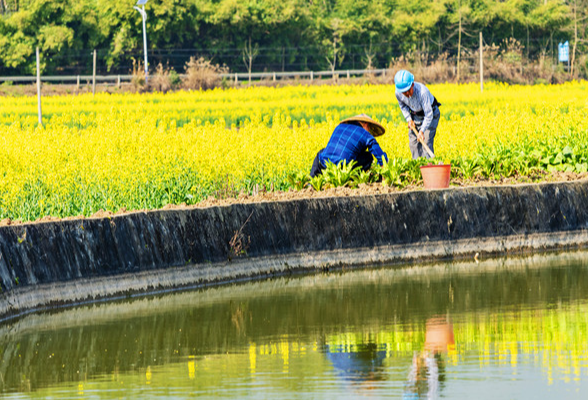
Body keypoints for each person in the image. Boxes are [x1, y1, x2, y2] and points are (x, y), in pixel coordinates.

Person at [310, 114, 388, 178]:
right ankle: (353, 179)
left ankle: (312, 179)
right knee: (368, 156)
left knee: (321, 152)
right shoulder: (365, 134)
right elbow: (380, 156)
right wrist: (384, 171)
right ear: (366, 124)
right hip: (343, 170)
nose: (369, 130)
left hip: (325, 165)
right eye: (370, 127)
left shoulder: (339, 127)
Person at [394, 70, 441, 160]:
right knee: (413, 143)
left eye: (408, 91)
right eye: (404, 92)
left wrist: (422, 131)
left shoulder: (422, 92)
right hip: (415, 115)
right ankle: (417, 168)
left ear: (412, 85)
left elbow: (429, 115)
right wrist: (409, 119)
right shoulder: (398, 93)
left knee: (426, 141)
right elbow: (403, 106)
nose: (407, 94)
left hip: (430, 114)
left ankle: (428, 167)